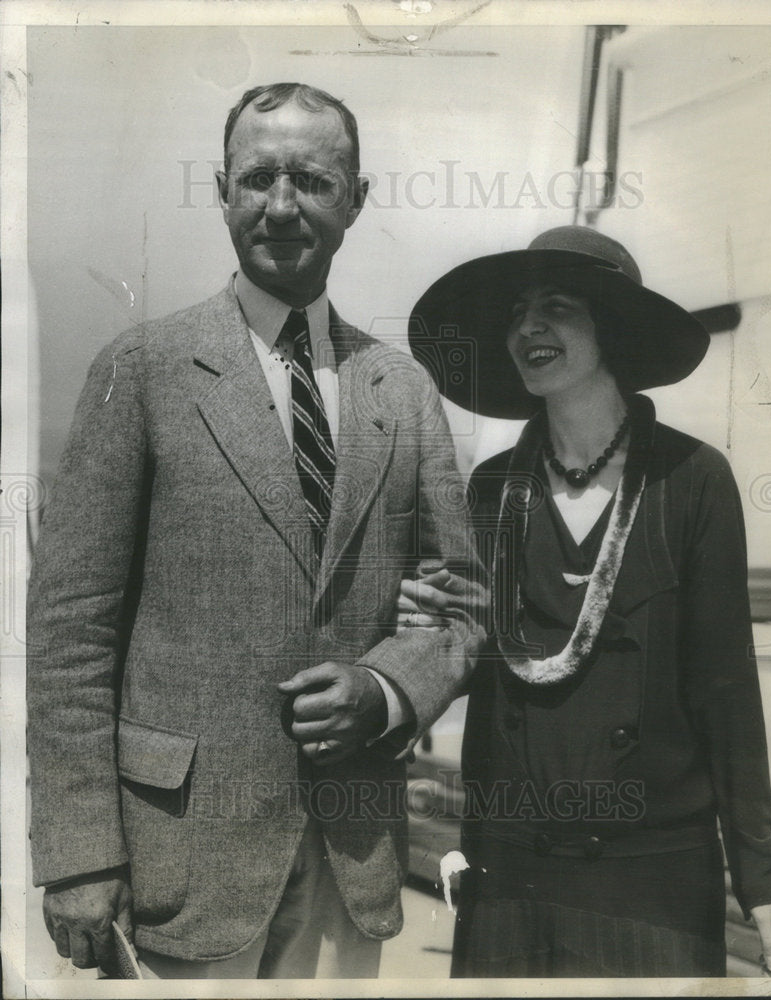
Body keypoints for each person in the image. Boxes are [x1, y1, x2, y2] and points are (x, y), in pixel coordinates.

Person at [27, 82, 484, 980]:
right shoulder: (143, 369)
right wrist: (81, 856)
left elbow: (460, 603)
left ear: (356, 199)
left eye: (312, 180)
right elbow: (69, 631)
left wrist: (384, 689)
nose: (281, 206)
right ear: (223, 189)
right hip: (179, 865)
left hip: (349, 859)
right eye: (258, 178)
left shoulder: (404, 389)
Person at [402, 225, 771, 977]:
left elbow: (726, 687)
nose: (526, 328)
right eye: (515, 312)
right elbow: (469, 662)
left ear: (610, 325)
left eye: (556, 306)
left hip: (654, 870)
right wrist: (424, 628)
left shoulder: (691, 479)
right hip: (511, 866)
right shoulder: (489, 492)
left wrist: (759, 871)